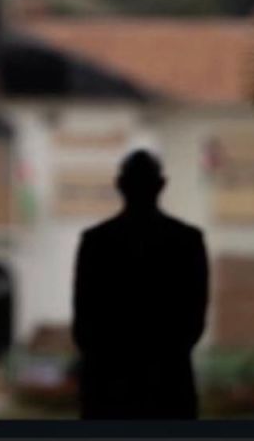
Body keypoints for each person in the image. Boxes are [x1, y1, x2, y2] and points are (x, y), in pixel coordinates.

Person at [72, 149, 209, 420]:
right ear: (161, 185)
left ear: (120, 185)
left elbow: (84, 320)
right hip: (169, 384)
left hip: (108, 386)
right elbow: (194, 318)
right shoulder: (187, 241)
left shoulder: (96, 242)